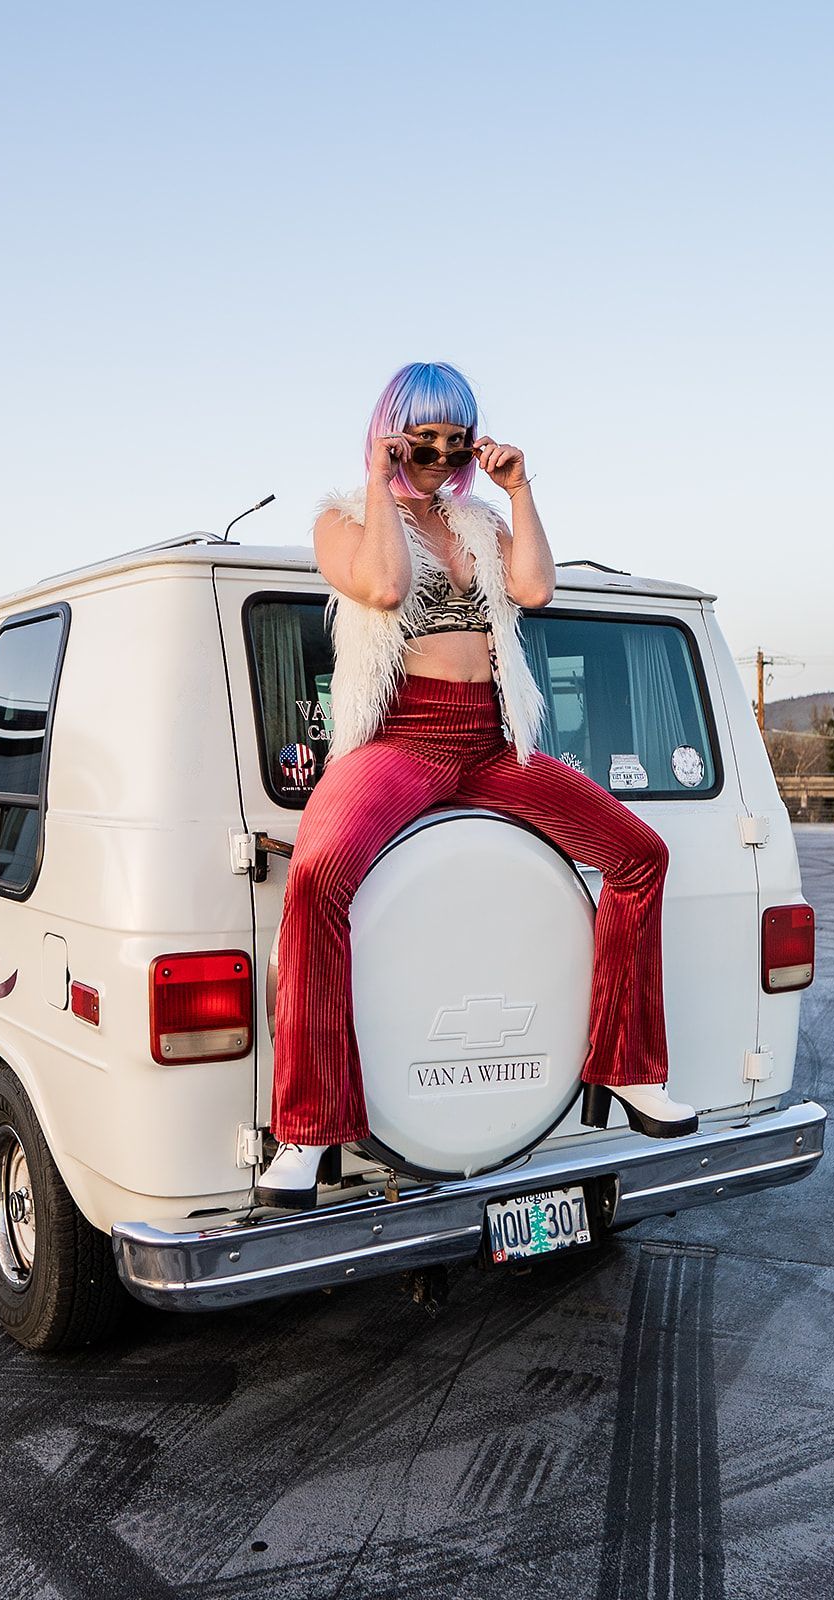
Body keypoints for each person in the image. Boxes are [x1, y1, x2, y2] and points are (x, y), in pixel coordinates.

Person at [257, 360, 697, 1210]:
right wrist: (382, 484)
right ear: (392, 435)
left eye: (453, 442)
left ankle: (630, 1070)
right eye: (422, 441)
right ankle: (307, 1131)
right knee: (317, 877)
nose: (439, 457)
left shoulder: (479, 521)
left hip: (492, 739)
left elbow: (534, 588)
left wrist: (521, 489)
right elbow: (383, 585)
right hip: (404, 737)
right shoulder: (343, 521)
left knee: (640, 855)